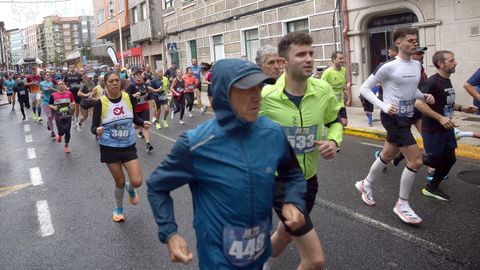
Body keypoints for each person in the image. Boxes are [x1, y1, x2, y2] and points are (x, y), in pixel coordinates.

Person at [147, 58, 307, 269]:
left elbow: (293, 174)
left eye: (258, 88)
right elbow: (157, 186)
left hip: (260, 256)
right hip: (217, 261)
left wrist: (293, 201)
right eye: (246, 89)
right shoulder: (195, 144)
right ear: (224, 94)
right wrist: (170, 234)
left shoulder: (273, 133)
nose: (256, 97)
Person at [260, 32, 340, 270]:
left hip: (309, 180)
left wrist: (334, 141)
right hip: (280, 183)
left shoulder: (323, 90)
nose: (309, 59)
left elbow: (334, 121)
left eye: (311, 54)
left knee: (285, 233)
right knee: (315, 260)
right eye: (301, 54)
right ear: (284, 62)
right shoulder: (266, 97)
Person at [356, 27, 435, 225]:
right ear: (398, 43)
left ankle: (366, 184)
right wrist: (383, 105)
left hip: (407, 116)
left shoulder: (416, 65)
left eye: (415, 40)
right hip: (393, 118)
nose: (414, 43)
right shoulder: (388, 66)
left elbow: (411, 89)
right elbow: (364, 88)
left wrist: (423, 96)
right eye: (410, 40)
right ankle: (402, 204)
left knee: (388, 155)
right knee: (416, 161)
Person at [415, 50, 478, 201]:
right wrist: (440, 118)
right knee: (436, 161)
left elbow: (445, 102)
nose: (455, 63)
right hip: (433, 130)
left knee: (450, 160)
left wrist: (462, 108)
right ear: (441, 64)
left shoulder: (446, 81)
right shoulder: (432, 81)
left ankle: (432, 188)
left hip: (447, 129)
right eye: (451, 61)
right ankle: (407, 154)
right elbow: (418, 103)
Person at [91, 71, 152, 222]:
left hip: (128, 145)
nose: (114, 83)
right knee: (119, 181)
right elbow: (93, 126)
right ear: (105, 84)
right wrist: (96, 130)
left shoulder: (128, 98)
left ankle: (130, 188)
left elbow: (134, 117)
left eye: (117, 80)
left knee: (137, 181)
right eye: (111, 81)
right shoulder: (100, 102)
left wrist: (141, 122)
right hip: (109, 147)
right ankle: (118, 209)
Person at [125, 69, 154, 152]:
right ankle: (136, 127)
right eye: (137, 75)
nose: (139, 76)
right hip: (135, 110)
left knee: (146, 125)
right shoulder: (131, 86)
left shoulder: (145, 85)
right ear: (134, 77)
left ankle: (148, 144)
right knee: (137, 126)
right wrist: (134, 95)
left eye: (140, 74)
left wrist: (149, 93)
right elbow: (125, 97)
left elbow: (147, 95)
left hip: (145, 108)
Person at [321, 51, 351, 126]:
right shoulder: (327, 72)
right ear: (333, 60)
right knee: (333, 125)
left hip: (340, 103)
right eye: (340, 58)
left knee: (344, 123)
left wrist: (349, 98)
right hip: (330, 104)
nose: (342, 60)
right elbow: (320, 87)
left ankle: (334, 133)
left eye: (342, 58)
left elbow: (343, 87)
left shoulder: (343, 70)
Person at [49, 80, 75, 153]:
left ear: (64, 85)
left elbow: (73, 102)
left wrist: (72, 104)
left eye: (62, 84)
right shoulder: (54, 95)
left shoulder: (69, 93)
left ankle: (66, 146)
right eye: (59, 84)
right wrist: (54, 107)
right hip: (58, 116)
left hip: (68, 114)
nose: (61, 85)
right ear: (57, 86)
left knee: (67, 131)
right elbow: (50, 104)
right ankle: (60, 135)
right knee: (61, 131)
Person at [39, 71, 57, 138]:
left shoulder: (52, 83)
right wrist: (41, 95)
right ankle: (52, 131)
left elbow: (57, 90)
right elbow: (40, 90)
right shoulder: (41, 83)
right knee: (49, 116)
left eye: (49, 75)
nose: (48, 76)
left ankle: (48, 123)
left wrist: (52, 88)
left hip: (53, 101)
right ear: (44, 76)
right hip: (45, 101)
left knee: (52, 117)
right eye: (47, 75)